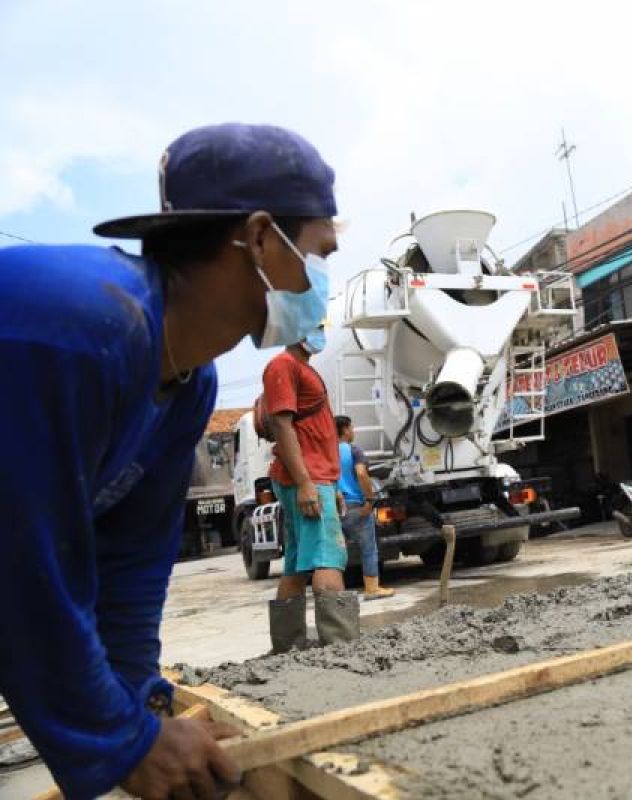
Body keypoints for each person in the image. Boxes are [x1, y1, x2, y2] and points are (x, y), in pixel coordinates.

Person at [0, 123, 338, 799]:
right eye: (319, 252)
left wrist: (144, 709)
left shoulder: (190, 385)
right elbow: (22, 572)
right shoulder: (79, 331)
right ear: (262, 239)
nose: (323, 277)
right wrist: (123, 744)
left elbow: (128, 568)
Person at [264, 329, 361, 652]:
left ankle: (288, 647)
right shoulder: (283, 366)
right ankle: (341, 647)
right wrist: (307, 483)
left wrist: (329, 483)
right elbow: (281, 425)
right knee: (329, 556)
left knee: (297, 563)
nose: (320, 333)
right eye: (314, 325)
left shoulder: (300, 367)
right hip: (306, 479)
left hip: (316, 478)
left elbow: (313, 431)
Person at [336, 415, 395, 600]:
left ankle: (337, 593)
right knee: (368, 549)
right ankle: (372, 589)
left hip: (335, 507)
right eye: (351, 427)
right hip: (356, 506)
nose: (353, 431)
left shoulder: (325, 451)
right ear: (345, 429)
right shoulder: (354, 450)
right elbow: (361, 474)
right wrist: (370, 500)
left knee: (337, 551)